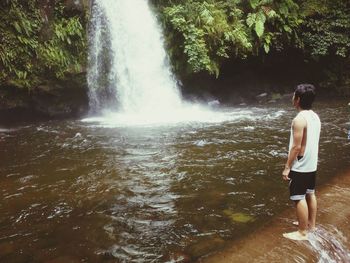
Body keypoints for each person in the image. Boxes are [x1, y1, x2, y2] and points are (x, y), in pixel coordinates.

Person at [282, 84, 321, 240]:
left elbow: (296, 146)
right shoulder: (315, 116)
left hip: (301, 164)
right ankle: (311, 224)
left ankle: (302, 232)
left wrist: (287, 167)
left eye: (294, 96)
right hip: (312, 163)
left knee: (298, 197)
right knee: (310, 193)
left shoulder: (299, 119)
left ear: (297, 100)